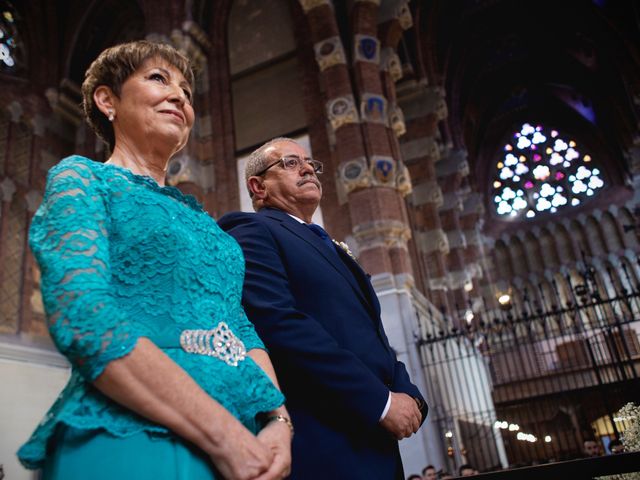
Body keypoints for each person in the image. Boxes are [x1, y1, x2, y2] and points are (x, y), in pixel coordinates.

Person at [16, 41, 291, 480]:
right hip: (135, 431)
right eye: (159, 79)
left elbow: (239, 326)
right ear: (108, 100)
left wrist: (278, 421)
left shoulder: (203, 220)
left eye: (186, 89)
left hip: (244, 441)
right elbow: (84, 317)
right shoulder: (83, 178)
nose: (179, 96)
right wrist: (222, 434)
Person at [218, 137, 428, 479]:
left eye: (311, 164)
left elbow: (372, 335)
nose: (307, 169)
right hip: (327, 439)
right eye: (289, 163)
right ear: (258, 187)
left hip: (375, 439)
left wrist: (408, 394)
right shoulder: (252, 229)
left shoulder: (330, 244)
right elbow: (280, 325)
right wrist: (381, 402)